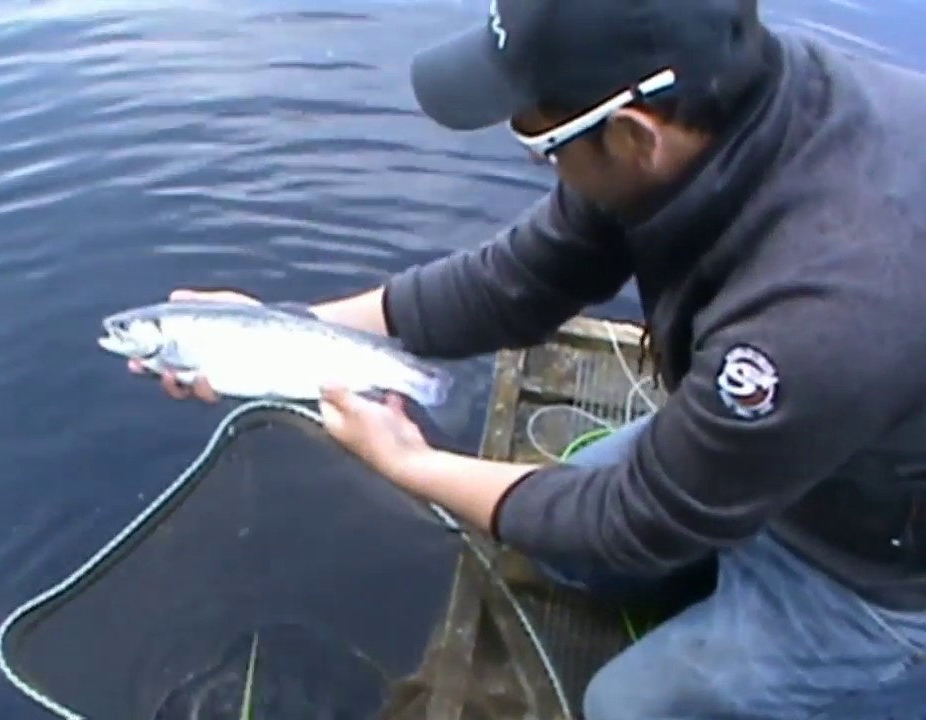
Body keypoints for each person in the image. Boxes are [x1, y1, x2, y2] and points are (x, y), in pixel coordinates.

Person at [129, 0, 926, 717]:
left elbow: (634, 521)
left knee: (627, 705)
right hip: (792, 455)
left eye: (540, 138)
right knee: (558, 546)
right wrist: (282, 326)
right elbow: (516, 281)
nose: (536, 161)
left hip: (882, 573)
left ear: (631, 135)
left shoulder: (824, 309)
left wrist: (410, 463)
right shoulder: (725, 108)